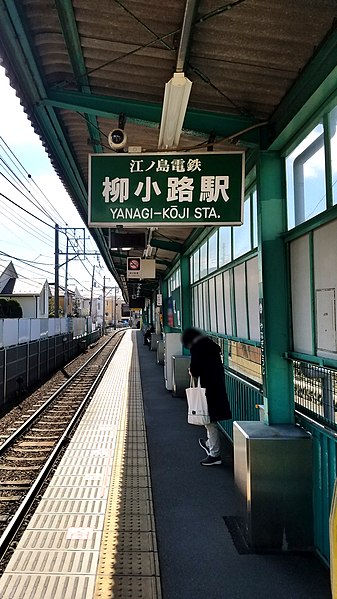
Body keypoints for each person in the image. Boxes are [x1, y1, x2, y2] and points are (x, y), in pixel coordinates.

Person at [182, 327, 232, 466]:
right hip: (216, 387)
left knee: (209, 421)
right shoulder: (211, 346)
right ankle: (210, 443)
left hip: (207, 390)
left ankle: (214, 455)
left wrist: (191, 371)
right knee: (211, 419)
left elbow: (195, 370)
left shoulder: (197, 348)